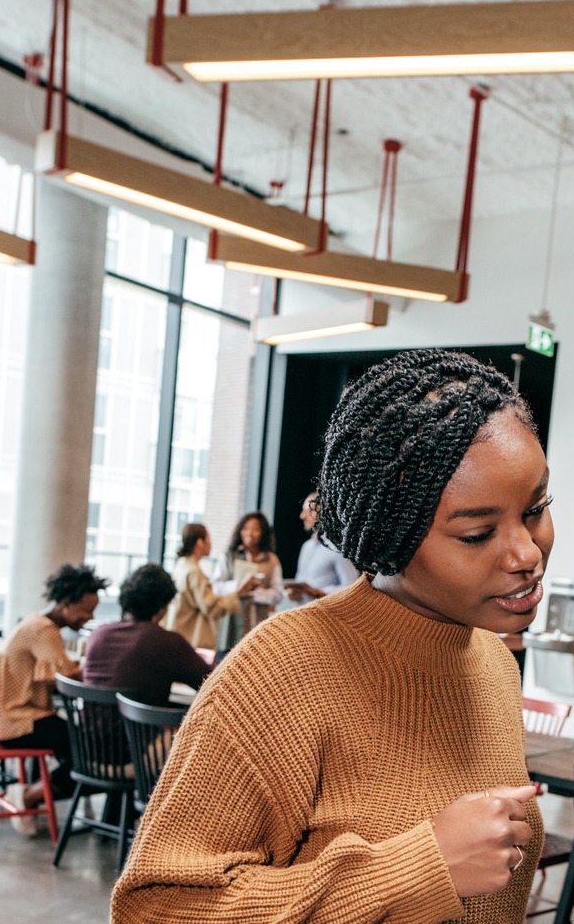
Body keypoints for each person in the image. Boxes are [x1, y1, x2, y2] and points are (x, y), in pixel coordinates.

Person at [113, 350, 549, 923]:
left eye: (537, 508)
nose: (527, 553)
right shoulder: (282, 669)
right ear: (390, 532)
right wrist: (416, 871)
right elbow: (155, 910)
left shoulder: (491, 663)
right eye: (477, 533)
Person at [0, 562, 105, 814]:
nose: (91, 617)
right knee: (87, 750)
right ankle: (29, 796)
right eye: (87, 610)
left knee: (77, 745)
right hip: (15, 722)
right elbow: (66, 679)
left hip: (2, 718)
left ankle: (38, 793)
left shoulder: (34, 622)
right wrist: (98, 668)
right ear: (65, 603)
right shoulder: (44, 630)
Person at [81, 563, 212, 705]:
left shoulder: (97, 635)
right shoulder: (167, 643)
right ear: (163, 606)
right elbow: (212, 684)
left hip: (87, 726)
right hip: (141, 726)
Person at [165, 522, 246, 651]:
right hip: (189, 640)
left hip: (178, 633)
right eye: (208, 539)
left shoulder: (182, 564)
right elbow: (211, 607)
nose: (210, 544)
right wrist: (237, 594)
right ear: (199, 542)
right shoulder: (194, 571)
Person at [216, 511, 283, 644]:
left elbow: (278, 595)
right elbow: (216, 587)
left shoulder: (272, 560)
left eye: (255, 529)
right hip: (230, 626)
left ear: (263, 533)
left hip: (258, 626)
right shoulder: (228, 556)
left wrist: (255, 592)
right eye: (246, 528)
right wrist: (240, 586)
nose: (249, 533)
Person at [286, 491, 360, 603]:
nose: (302, 516)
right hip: (302, 613)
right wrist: (294, 594)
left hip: (325, 615)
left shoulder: (337, 547)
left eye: (308, 510)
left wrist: (318, 592)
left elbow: (352, 587)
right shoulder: (306, 547)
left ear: (321, 511)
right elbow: (300, 580)